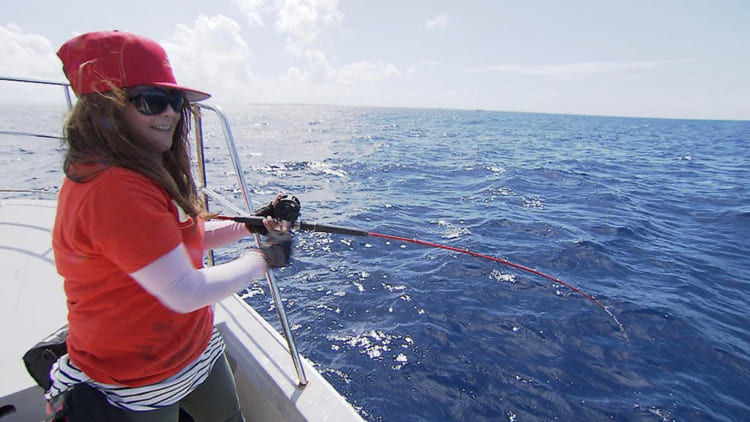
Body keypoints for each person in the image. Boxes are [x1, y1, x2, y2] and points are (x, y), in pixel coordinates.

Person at [47, 30, 294, 421]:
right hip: (140, 378)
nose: (172, 114)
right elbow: (182, 291)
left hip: (194, 348)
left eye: (176, 102)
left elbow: (182, 241)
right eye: (152, 101)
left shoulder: (144, 170)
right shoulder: (112, 189)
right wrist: (264, 259)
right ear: (103, 108)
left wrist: (251, 226)